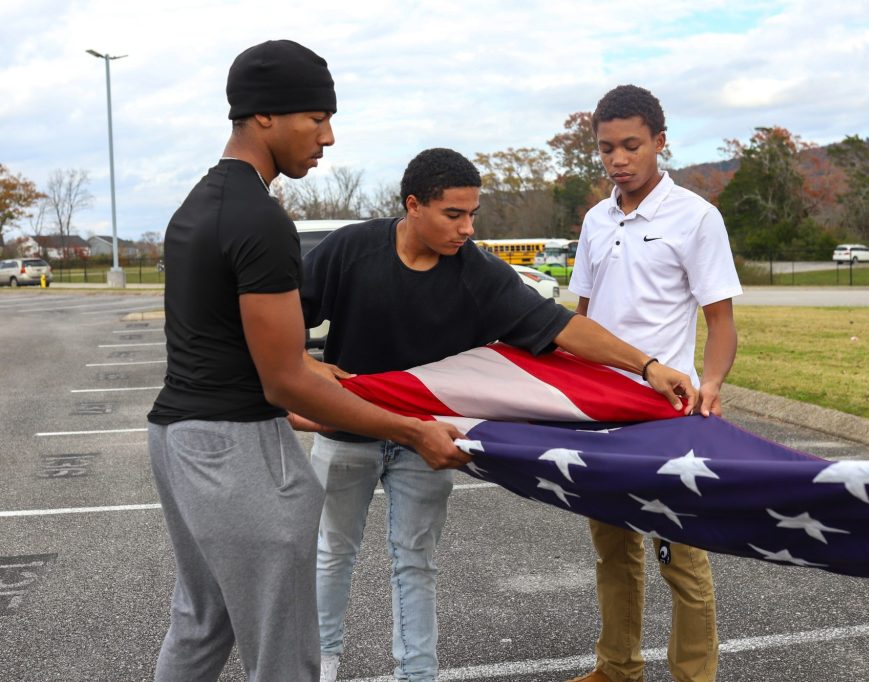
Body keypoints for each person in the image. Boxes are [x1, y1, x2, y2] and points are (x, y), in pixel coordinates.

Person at [300, 148, 700, 682]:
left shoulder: (477, 270)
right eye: (453, 215)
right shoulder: (350, 249)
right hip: (346, 427)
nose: (467, 229)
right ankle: (318, 665)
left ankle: (416, 674)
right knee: (333, 553)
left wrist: (646, 366)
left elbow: (560, 326)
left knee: (414, 560)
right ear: (413, 206)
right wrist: (303, 364)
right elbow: (280, 321)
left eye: (473, 215)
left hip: (431, 436)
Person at [146, 41, 464, 682]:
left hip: (178, 439)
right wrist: (412, 430)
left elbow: (236, 348)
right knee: (286, 654)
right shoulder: (260, 221)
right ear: (265, 115)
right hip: (237, 451)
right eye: (316, 119)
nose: (329, 137)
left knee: (204, 624)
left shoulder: (199, 204)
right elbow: (284, 377)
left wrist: (322, 378)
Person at [566, 85, 742, 682]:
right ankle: (617, 668)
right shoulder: (594, 220)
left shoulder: (696, 217)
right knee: (613, 553)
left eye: (631, 145)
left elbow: (720, 319)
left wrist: (712, 382)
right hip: (600, 412)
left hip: (667, 416)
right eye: (607, 148)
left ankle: (694, 676)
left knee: (681, 560)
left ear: (659, 143)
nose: (618, 159)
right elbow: (580, 320)